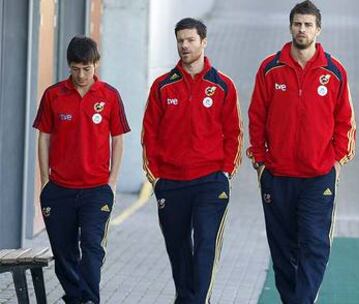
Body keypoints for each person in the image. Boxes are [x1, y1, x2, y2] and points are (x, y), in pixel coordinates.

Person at [247, 1, 356, 303]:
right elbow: (256, 115)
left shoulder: (334, 72)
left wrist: (334, 160)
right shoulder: (270, 68)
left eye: (308, 24)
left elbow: (345, 121)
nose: (302, 29)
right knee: (282, 250)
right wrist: (260, 161)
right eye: (297, 23)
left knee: (314, 245)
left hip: (318, 178)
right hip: (278, 177)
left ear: (318, 30)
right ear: (290, 26)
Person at [142, 17, 243, 304]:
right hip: (171, 184)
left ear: (203, 42)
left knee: (205, 246)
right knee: (178, 249)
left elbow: (234, 132)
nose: (184, 46)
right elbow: (149, 134)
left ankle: (198, 300)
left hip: (211, 182)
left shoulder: (223, 85)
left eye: (190, 40)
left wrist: (225, 172)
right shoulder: (162, 86)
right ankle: (187, 298)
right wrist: (156, 178)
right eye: (180, 41)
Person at [33, 36, 130, 304]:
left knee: (91, 247)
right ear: (69, 66)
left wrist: (112, 181)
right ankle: (77, 297)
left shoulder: (110, 95)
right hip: (60, 189)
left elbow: (118, 137)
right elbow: (44, 137)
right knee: (63, 252)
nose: (81, 74)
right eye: (76, 68)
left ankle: (87, 299)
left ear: (96, 64)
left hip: (96, 189)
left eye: (87, 68)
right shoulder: (53, 95)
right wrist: (44, 181)